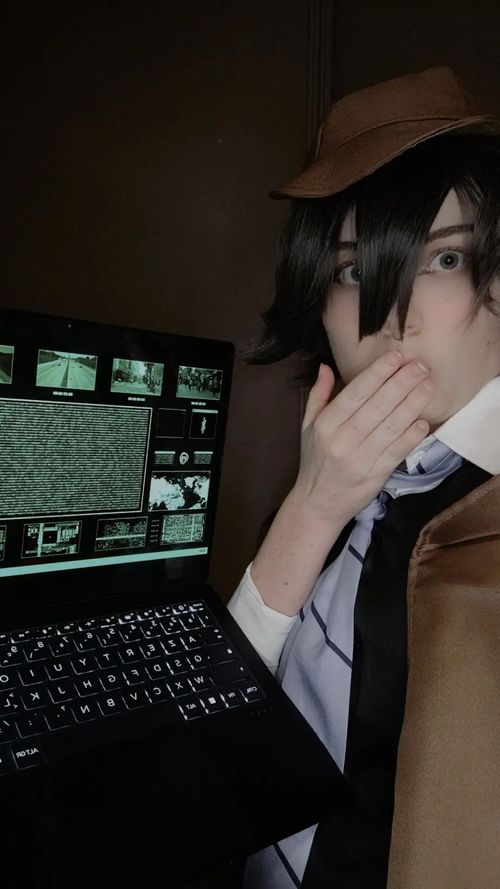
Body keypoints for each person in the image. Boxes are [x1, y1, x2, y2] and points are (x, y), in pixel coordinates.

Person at [227, 66, 500, 889]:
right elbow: (216, 721)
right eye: (354, 271)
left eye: (443, 257)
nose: (393, 317)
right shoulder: (340, 465)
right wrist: (311, 510)